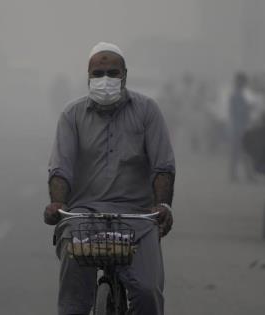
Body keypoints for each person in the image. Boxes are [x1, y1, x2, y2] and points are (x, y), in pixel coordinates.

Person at [44, 42, 175, 315]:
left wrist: (162, 205)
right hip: (83, 216)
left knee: (148, 292)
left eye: (113, 73)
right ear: (88, 76)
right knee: (73, 298)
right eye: (99, 73)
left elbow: (162, 166)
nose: (106, 79)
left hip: (137, 217)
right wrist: (57, 203)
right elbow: (61, 168)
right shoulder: (72, 114)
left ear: (125, 75)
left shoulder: (147, 110)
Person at [228, 71, 254, 182]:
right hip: (239, 128)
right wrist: (248, 108)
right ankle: (243, 175)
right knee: (243, 152)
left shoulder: (238, 95)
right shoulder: (237, 95)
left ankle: (237, 175)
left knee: (240, 153)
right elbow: (238, 112)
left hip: (238, 127)